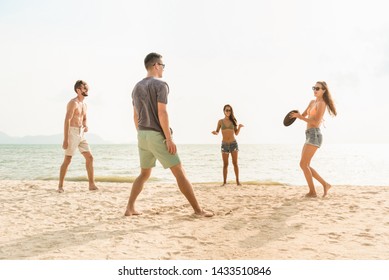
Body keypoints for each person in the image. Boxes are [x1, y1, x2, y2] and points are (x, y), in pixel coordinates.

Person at [125, 52, 213, 217]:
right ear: (156, 65)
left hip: (142, 134)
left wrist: (141, 134)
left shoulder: (136, 87)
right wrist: (168, 138)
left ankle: (129, 208)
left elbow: (135, 115)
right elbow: (162, 112)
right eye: (163, 65)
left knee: (144, 174)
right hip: (157, 135)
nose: (164, 69)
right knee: (179, 171)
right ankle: (198, 210)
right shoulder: (161, 84)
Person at [290, 81, 337, 197]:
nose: (315, 90)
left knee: (303, 164)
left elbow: (316, 122)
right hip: (308, 134)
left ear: (324, 91)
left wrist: (300, 117)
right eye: (314, 88)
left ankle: (313, 192)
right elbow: (304, 115)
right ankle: (325, 185)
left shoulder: (322, 104)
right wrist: (296, 114)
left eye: (318, 88)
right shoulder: (312, 102)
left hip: (315, 135)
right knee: (305, 165)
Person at [58, 80, 98, 193]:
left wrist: (85, 125)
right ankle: (60, 185)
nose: (86, 89)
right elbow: (67, 120)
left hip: (81, 133)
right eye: (84, 88)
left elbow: (84, 117)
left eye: (86, 87)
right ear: (78, 90)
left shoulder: (84, 104)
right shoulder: (73, 103)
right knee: (68, 159)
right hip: (72, 132)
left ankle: (91, 184)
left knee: (90, 157)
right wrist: (65, 139)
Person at [212, 104, 244, 186]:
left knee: (235, 163)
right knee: (225, 164)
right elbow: (217, 131)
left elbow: (236, 133)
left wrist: (239, 127)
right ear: (224, 111)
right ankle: (224, 182)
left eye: (229, 110)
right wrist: (215, 133)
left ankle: (237, 181)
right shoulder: (220, 121)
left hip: (233, 144)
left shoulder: (233, 121)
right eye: (226, 110)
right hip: (224, 144)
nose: (228, 112)